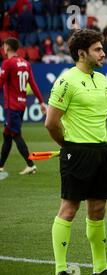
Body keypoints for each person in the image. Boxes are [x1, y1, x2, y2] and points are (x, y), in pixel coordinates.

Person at [45, 29, 107, 275]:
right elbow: (51, 122)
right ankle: (61, 270)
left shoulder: (102, 80)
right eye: (97, 49)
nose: (103, 53)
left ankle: (101, 268)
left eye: (102, 48)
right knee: (69, 209)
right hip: (76, 152)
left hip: (101, 151)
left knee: (98, 210)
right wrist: (68, 146)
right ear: (82, 53)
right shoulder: (66, 81)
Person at [0, 37, 46, 175]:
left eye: (3, 46)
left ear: (7, 47)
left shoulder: (7, 63)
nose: (3, 48)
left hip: (11, 106)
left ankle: (30, 164)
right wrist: (41, 102)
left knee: (15, 134)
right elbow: (33, 84)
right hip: (21, 105)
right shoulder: (25, 63)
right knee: (7, 135)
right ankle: (0, 165)